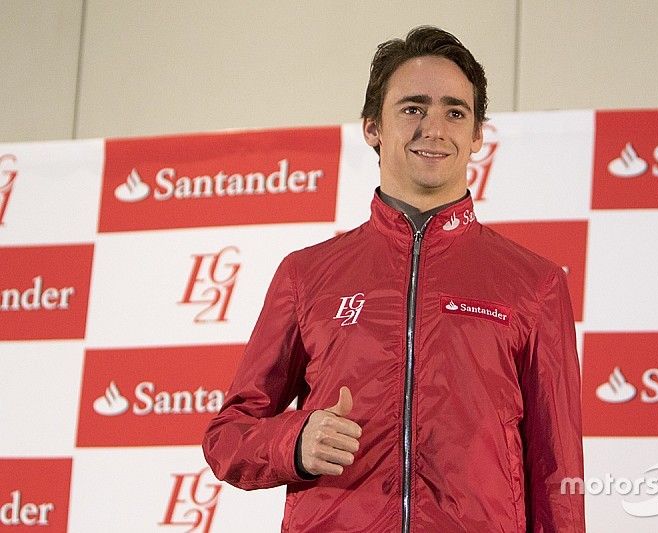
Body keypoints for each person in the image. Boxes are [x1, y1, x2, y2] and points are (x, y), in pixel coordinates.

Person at [203, 26, 585, 532]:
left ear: (476, 136)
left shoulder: (533, 284)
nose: (434, 128)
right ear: (372, 127)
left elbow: (559, 471)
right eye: (412, 108)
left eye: (455, 112)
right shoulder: (306, 274)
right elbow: (228, 437)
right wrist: (295, 441)